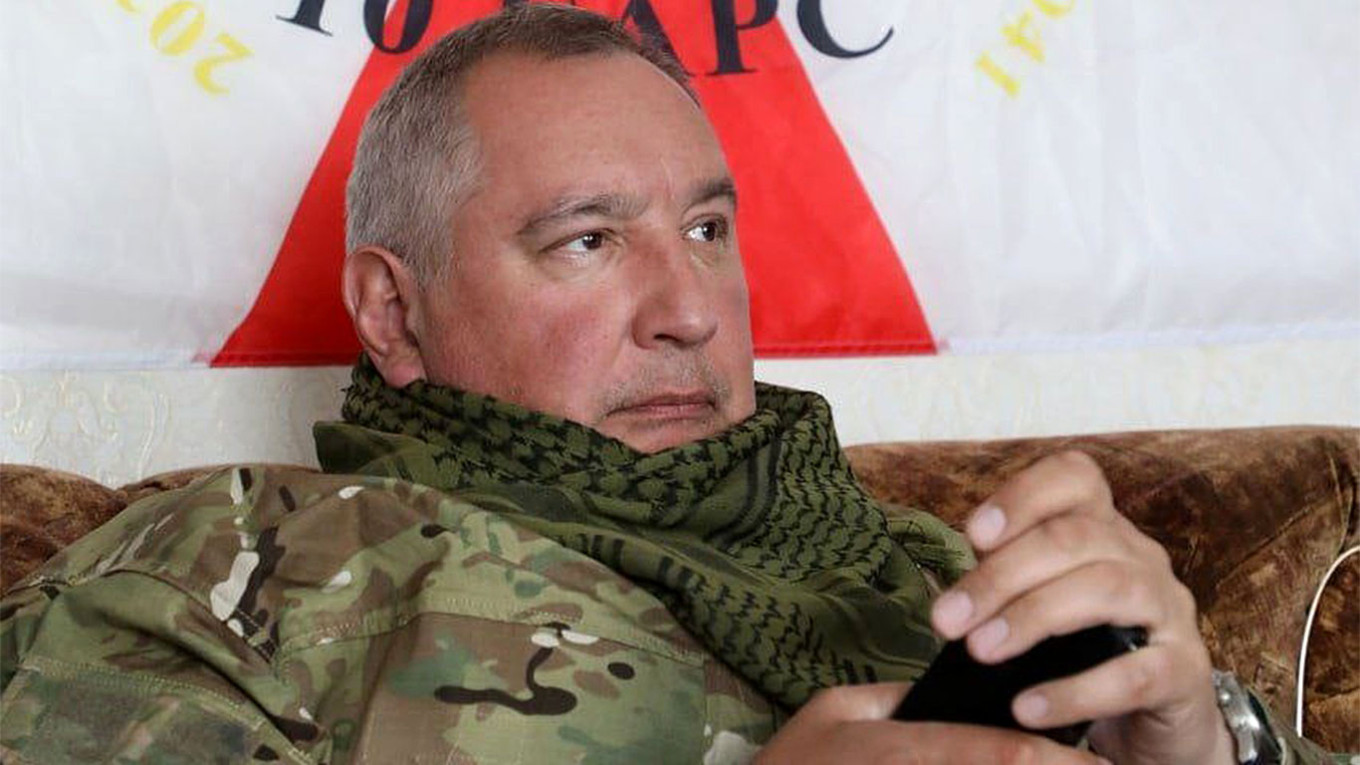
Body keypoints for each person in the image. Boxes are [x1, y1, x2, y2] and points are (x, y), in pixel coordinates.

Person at [0, 6, 1338, 764]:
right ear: (392, 312)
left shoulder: (938, 571)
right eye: (588, 242)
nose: (690, 310)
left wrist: (1207, 742)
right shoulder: (221, 573)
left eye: (708, 229)